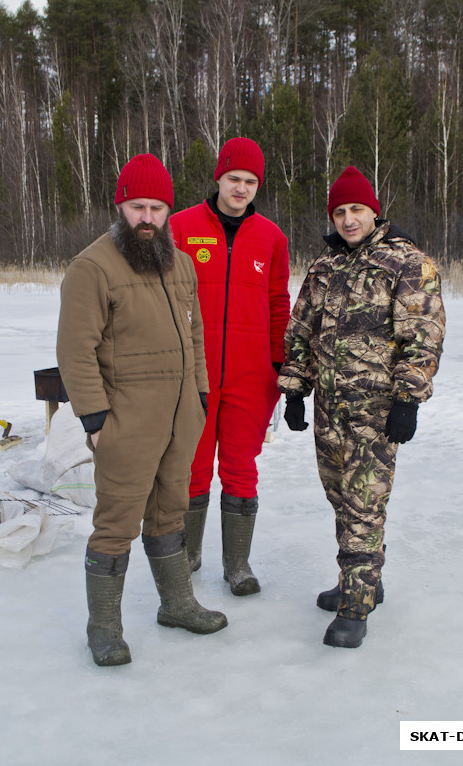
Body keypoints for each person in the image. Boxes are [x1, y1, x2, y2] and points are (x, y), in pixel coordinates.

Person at [57, 154, 227, 667]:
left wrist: (199, 395)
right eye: (138, 207)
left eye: (157, 207)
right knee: (116, 521)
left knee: (169, 510)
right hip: (124, 419)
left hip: (180, 415)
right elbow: (75, 350)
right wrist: (95, 421)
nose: (148, 217)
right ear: (120, 207)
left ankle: (177, 604)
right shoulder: (92, 267)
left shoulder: (180, 263)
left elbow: (195, 334)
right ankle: (104, 629)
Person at [278, 166, 445, 648]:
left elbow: (424, 335)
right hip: (331, 408)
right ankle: (364, 581)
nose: (349, 219)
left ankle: (356, 605)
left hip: (377, 412)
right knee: (339, 497)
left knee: (364, 504)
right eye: (340, 211)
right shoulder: (324, 268)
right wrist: (294, 388)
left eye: (356, 209)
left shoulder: (408, 265)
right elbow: (301, 329)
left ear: (375, 211)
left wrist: (408, 400)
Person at [170, 138, 290, 596]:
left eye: (251, 181)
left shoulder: (272, 237)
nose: (241, 188)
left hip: (251, 374)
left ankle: (237, 564)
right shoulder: (181, 228)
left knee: (241, 467)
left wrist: (280, 366)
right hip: (193, 375)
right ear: (219, 177)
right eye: (234, 179)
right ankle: (190, 553)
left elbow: (279, 303)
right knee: (193, 468)